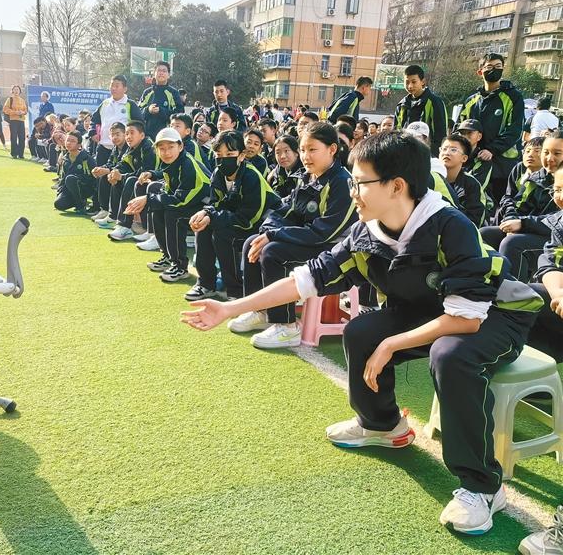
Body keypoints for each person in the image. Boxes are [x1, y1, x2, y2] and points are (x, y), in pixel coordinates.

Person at [182, 131, 543, 536]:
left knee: (450, 355)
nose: (352, 191)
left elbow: (466, 320)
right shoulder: (366, 231)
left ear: (396, 186)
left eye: (360, 182)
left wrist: (392, 344)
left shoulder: (449, 226)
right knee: (360, 332)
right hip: (431, 310)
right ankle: (382, 425)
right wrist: (231, 307)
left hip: (493, 316)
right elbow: (307, 279)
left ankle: (482, 486)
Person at [233, 122, 357, 349]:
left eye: (312, 149)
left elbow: (325, 231)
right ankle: (261, 310)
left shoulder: (342, 182)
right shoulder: (308, 177)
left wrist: (275, 236)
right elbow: (285, 209)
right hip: (311, 239)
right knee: (253, 242)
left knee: (273, 252)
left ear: (332, 149)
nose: (305, 156)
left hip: (336, 249)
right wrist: (267, 231)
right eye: (302, 149)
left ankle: (287, 326)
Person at [186, 130, 281, 300]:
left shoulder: (252, 176)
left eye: (229, 154)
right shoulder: (218, 174)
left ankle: (236, 291)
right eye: (218, 154)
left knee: (223, 234)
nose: (223, 159)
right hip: (236, 218)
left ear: (242, 155)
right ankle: (206, 284)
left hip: (263, 225)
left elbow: (248, 220)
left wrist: (213, 216)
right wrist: (206, 213)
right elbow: (216, 205)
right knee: (204, 227)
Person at [123, 127, 210, 281]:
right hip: (191, 202)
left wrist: (147, 199)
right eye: (162, 149)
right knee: (159, 206)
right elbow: (167, 172)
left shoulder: (188, 165)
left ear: (181, 146)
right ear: (157, 150)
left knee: (173, 214)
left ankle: (179, 266)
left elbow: (180, 201)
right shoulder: (175, 160)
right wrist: (152, 173)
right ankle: (168, 256)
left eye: (171, 147)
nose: (166, 152)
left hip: (208, 208)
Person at [480, 133, 561, 282]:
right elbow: (515, 202)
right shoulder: (536, 176)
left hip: (554, 237)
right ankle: (486, 286)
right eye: (546, 152)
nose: (550, 158)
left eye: (557, 153)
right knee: (484, 234)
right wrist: (513, 221)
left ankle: (516, 298)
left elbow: (557, 222)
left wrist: (523, 225)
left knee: (513, 244)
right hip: (532, 228)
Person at [458, 53, 524, 206]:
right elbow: (459, 128)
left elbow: (514, 130)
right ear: (480, 71)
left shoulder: (513, 97)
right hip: (473, 162)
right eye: (489, 67)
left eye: (498, 67)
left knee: (499, 205)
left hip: (502, 164)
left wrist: (492, 150)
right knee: (471, 202)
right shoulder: (471, 101)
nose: (494, 70)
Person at [527, 166, 563, 363]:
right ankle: (541, 369)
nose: (560, 196)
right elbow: (551, 263)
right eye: (557, 189)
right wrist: (558, 294)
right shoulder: (560, 223)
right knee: (527, 296)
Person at [105, 120, 157, 240]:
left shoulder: (148, 146)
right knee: (116, 179)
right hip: (145, 181)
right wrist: (114, 173)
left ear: (142, 135)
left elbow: (145, 172)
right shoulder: (131, 147)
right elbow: (122, 164)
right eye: (127, 133)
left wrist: (122, 176)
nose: (128, 137)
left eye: (131, 133)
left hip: (155, 180)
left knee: (132, 180)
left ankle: (125, 226)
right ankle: (114, 217)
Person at [394, 65, 449, 157]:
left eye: (414, 82)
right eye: (407, 82)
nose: (410, 86)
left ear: (423, 82)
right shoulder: (402, 104)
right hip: (404, 154)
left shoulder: (435, 102)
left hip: (426, 154)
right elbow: (396, 132)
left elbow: (440, 133)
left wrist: (432, 155)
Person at [438, 134, 487, 227]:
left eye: (453, 150)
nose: (447, 153)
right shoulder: (430, 178)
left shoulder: (472, 184)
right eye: (444, 149)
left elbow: (475, 220)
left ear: (464, 158)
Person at [91, 122, 128, 225]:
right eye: (112, 135)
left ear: (125, 134)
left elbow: (123, 166)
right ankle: (105, 209)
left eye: (117, 134)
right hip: (116, 173)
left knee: (109, 176)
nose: (114, 137)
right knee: (102, 175)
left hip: (126, 175)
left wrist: (108, 170)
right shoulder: (115, 148)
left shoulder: (128, 147)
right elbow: (109, 163)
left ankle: (113, 215)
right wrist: (100, 169)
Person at [138, 61, 184, 139]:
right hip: (146, 136)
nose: (161, 73)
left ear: (168, 75)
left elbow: (180, 114)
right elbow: (138, 112)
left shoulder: (173, 92)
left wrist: (161, 111)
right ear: (154, 74)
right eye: (159, 70)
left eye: (164, 71)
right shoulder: (147, 92)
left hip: (166, 136)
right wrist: (148, 110)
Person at [54, 131, 96, 213]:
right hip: (70, 189)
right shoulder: (65, 159)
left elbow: (94, 178)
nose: (69, 143)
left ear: (79, 145)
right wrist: (60, 194)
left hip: (85, 188)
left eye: (73, 141)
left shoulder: (87, 158)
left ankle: (80, 206)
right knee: (58, 204)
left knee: (70, 178)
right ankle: (79, 201)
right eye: (68, 140)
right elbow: (63, 179)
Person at [3, 85, 28, 159]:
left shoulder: (22, 100)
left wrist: (22, 112)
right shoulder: (9, 99)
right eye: (15, 89)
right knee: (13, 137)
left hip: (21, 120)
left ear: (20, 91)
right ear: (12, 91)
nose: (16, 91)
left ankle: (21, 154)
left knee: (22, 137)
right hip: (13, 120)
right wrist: (15, 112)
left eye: (17, 89)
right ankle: (14, 153)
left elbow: (25, 110)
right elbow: (5, 109)